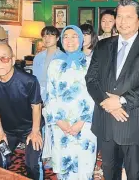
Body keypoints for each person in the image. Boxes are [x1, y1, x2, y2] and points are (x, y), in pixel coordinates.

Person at [86, 0, 139, 180]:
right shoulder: (103, 45)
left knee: (135, 173)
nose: (122, 21)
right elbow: (91, 79)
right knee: (109, 172)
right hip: (106, 121)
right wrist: (108, 103)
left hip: (133, 122)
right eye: (119, 16)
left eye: (128, 17)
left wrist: (120, 101)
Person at [0, 43, 44, 180]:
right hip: (7, 129)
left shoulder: (28, 81)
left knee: (32, 165)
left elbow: (36, 106)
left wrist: (35, 131)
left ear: (12, 60)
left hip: (30, 128)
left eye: (4, 58)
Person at [45, 25, 97, 179]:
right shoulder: (54, 65)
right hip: (61, 125)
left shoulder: (91, 64)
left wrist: (81, 122)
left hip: (85, 124)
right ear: (61, 40)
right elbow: (51, 95)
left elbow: (94, 95)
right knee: (64, 167)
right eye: (66, 36)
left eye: (75, 36)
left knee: (84, 166)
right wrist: (60, 121)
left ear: (81, 40)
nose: (70, 40)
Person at [33, 26, 65, 102]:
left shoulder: (63, 57)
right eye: (44, 36)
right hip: (39, 94)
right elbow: (34, 78)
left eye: (50, 35)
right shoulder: (38, 57)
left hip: (56, 96)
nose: (47, 38)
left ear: (57, 38)